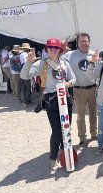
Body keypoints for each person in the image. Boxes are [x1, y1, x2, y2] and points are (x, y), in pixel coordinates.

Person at [20, 38, 76, 171]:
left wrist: (68, 84)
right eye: (50, 47)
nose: (53, 50)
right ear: (46, 49)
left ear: (60, 50)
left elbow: (73, 78)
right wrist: (28, 62)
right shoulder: (42, 64)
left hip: (65, 98)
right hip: (51, 100)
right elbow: (24, 76)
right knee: (57, 130)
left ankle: (65, 152)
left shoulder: (64, 63)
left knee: (66, 127)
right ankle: (53, 157)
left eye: (56, 48)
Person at [62, 33, 97, 144]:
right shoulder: (70, 55)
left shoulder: (94, 55)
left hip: (93, 89)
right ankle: (82, 136)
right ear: (77, 43)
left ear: (89, 42)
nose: (84, 43)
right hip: (78, 89)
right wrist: (61, 49)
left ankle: (94, 133)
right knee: (80, 115)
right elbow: (58, 60)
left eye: (86, 41)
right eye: (81, 41)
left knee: (93, 113)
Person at [19, 43, 33, 107]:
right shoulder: (27, 55)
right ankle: (27, 101)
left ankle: (24, 100)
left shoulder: (21, 54)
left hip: (22, 72)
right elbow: (27, 64)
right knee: (28, 88)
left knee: (23, 88)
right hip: (26, 72)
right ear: (27, 49)